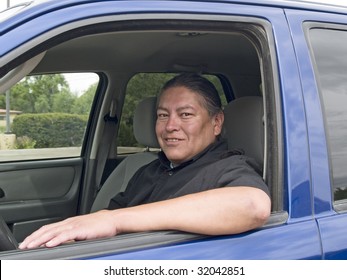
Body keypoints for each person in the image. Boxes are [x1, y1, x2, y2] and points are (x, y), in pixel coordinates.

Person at [19, 73, 271, 249]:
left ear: (216, 123)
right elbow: (106, 219)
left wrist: (113, 221)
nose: (170, 126)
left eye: (185, 114)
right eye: (163, 115)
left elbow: (253, 206)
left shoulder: (229, 167)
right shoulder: (149, 169)